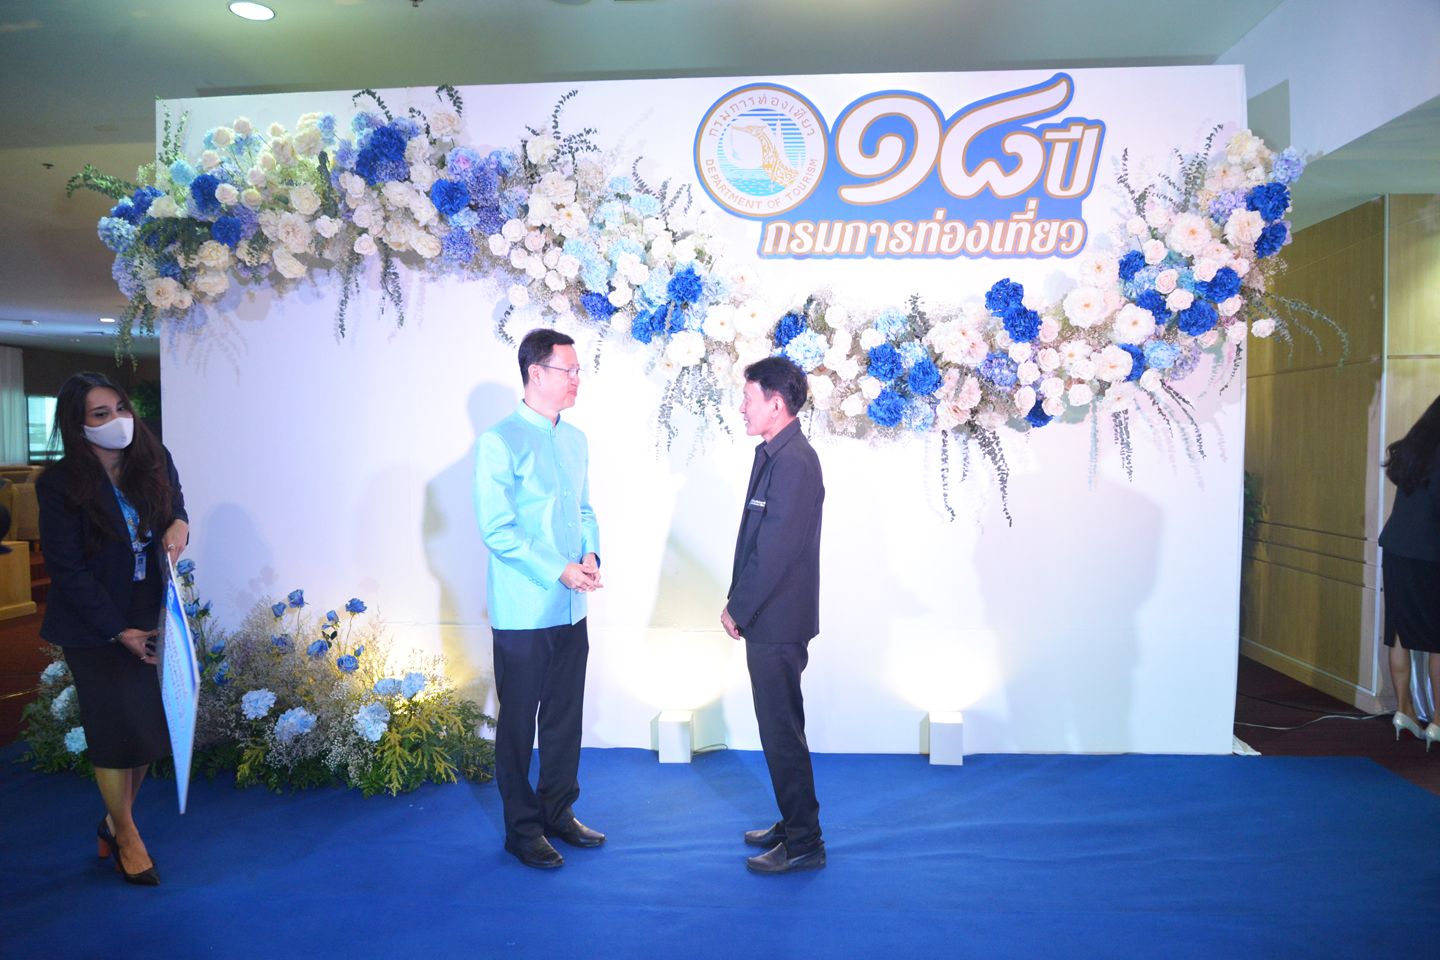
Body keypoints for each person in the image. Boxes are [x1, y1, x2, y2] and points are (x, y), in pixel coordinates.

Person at [36, 372, 189, 886]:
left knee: (143, 732)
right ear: (77, 425)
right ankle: (126, 837)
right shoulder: (58, 485)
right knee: (112, 734)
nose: (118, 420)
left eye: (121, 408)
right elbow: (68, 571)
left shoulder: (153, 458)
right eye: (101, 414)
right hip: (93, 626)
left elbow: (177, 505)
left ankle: (111, 821)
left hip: (147, 611)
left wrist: (180, 523)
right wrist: (118, 631)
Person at [474, 328, 604, 868]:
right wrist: (560, 570)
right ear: (535, 373)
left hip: (572, 606)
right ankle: (521, 829)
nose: (576, 380)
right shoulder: (500, 441)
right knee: (518, 724)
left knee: (564, 718)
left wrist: (590, 555)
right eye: (567, 370)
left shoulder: (575, 440)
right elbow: (497, 529)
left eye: (578, 371)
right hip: (525, 608)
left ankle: (558, 811)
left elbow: (585, 510)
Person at [722, 356, 827, 874]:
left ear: (776, 403)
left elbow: (776, 551)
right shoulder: (775, 453)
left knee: (781, 732)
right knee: (781, 729)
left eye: (748, 399)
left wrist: (737, 607)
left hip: (777, 619)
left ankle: (805, 843)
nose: (741, 408)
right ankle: (794, 821)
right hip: (771, 616)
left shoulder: (794, 462)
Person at [1379, 392, 1440, 749]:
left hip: (1397, 548)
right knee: (1437, 640)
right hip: (1430, 553)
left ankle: (1404, 711)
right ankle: (1438, 722)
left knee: (1400, 630)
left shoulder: (1414, 450)